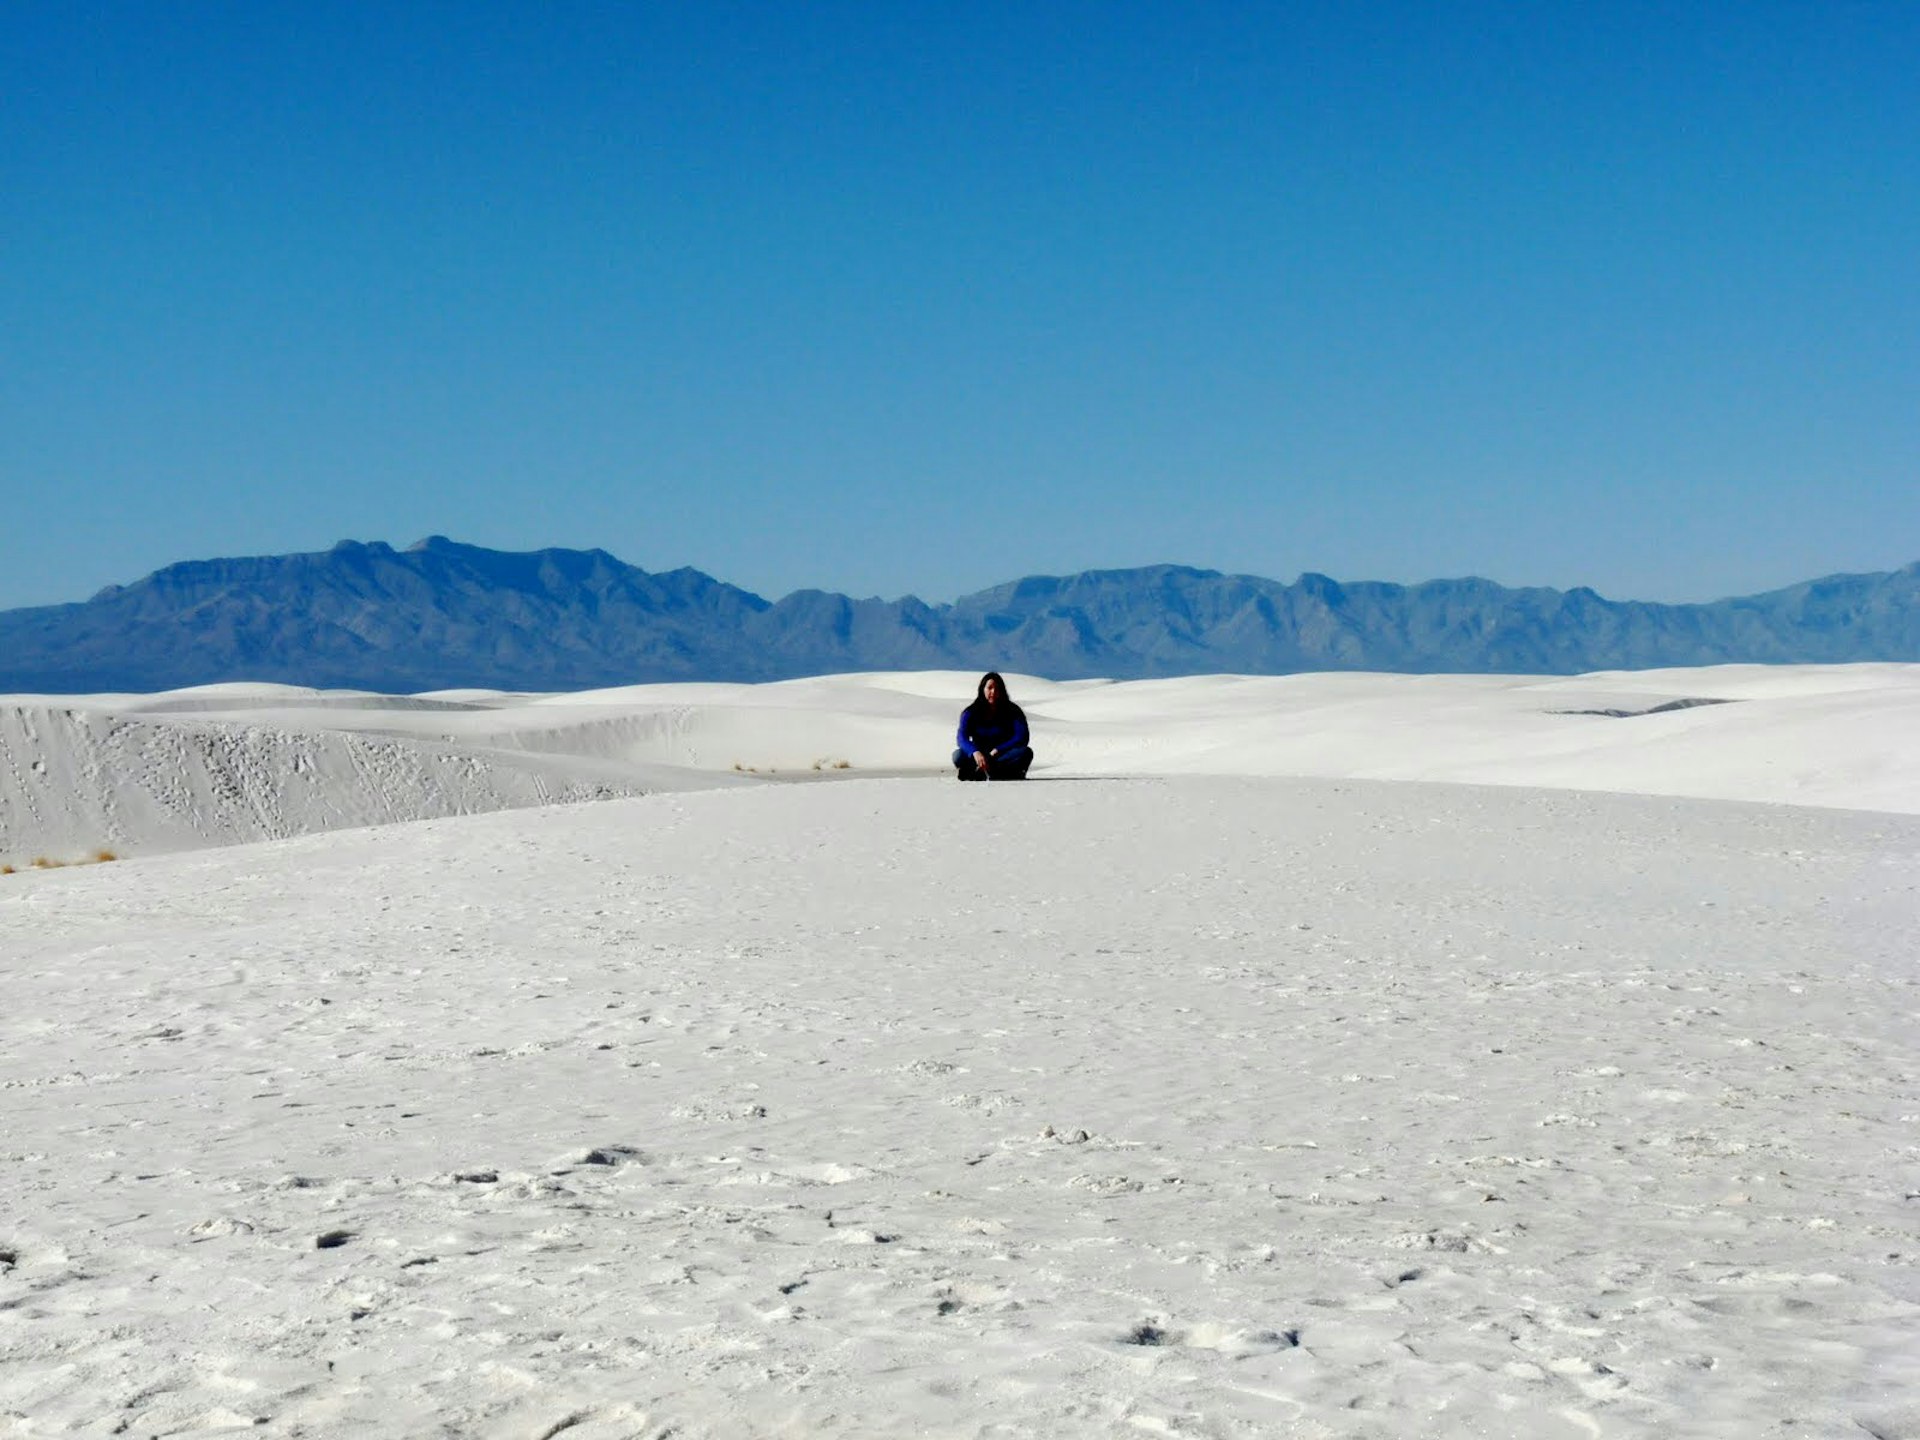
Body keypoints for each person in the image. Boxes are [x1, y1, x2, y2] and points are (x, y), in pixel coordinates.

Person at [953, 671, 1033, 780]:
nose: (993, 692)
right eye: (989, 688)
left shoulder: (1013, 711)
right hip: (979, 755)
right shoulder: (971, 712)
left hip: (1002, 756)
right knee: (958, 755)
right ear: (983, 689)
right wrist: (975, 752)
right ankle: (983, 770)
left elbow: (1022, 737)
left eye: (997, 688)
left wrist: (999, 749)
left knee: (1025, 753)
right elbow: (962, 738)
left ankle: (990, 772)